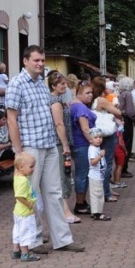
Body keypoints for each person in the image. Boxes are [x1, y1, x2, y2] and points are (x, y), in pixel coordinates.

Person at [5, 45, 84, 253]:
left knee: (54, 193)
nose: (40, 64)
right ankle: (33, 240)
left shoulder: (41, 82)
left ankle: (63, 239)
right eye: (36, 60)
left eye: (42, 60)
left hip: (49, 145)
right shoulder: (16, 84)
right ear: (25, 61)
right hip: (30, 147)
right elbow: (11, 119)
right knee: (31, 195)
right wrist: (19, 151)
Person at [47, 71, 81, 224]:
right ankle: (65, 211)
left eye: (65, 83)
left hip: (59, 143)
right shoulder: (55, 102)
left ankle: (64, 210)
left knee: (64, 175)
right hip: (59, 144)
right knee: (63, 176)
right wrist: (66, 144)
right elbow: (59, 124)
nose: (65, 86)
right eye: (62, 84)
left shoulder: (57, 99)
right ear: (53, 85)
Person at [91, 76, 122, 203]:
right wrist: (115, 105)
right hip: (107, 134)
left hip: (97, 133)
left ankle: (106, 189)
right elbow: (118, 112)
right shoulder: (101, 100)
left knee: (101, 162)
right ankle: (106, 192)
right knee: (107, 163)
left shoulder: (91, 100)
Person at [69, 80, 96, 215]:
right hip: (82, 144)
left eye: (91, 92)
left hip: (79, 144)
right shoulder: (80, 107)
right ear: (79, 93)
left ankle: (83, 201)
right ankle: (79, 203)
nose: (91, 95)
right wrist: (93, 141)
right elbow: (85, 128)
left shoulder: (74, 105)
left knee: (82, 173)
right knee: (82, 174)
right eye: (87, 93)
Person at [11, 152, 41, 262]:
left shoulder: (18, 176)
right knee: (26, 231)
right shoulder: (23, 181)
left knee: (18, 230)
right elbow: (19, 196)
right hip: (25, 212)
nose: (33, 169)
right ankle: (25, 253)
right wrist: (29, 204)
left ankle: (16, 250)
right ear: (21, 167)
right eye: (31, 167)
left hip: (18, 211)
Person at [86, 128, 111, 221]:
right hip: (95, 176)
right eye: (96, 137)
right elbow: (93, 162)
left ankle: (95, 211)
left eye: (100, 137)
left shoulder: (96, 148)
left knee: (98, 193)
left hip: (98, 175)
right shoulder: (93, 150)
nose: (99, 139)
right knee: (98, 194)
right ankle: (97, 213)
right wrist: (100, 156)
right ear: (90, 140)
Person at [117, 77, 135, 177]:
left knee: (123, 143)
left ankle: (121, 167)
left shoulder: (121, 94)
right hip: (127, 120)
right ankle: (124, 168)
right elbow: (130, 111)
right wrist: (134, 119)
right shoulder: (128, 94)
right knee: (127, 144)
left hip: (121, 119)